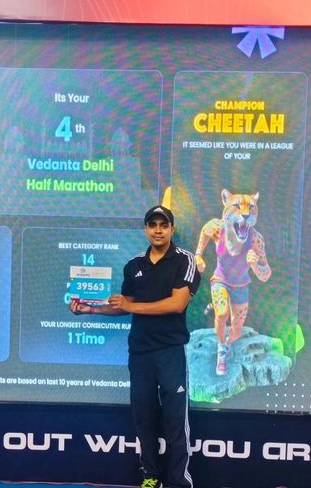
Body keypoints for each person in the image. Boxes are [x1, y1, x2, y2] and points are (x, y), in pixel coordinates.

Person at [70, 205, 200, 488]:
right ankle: (151, 477)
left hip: (170, 351)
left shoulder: (185, 260)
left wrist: (132, 306)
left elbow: (177, 304)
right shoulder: (134, 265)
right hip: (140, 353)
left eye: (163, 225)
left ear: (172, 229)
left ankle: (179, 481)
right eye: (152, 225)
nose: (158, 230)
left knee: (175, 420)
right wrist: (90, 309)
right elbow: (123, 306)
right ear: (145, 229)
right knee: (144, 418)